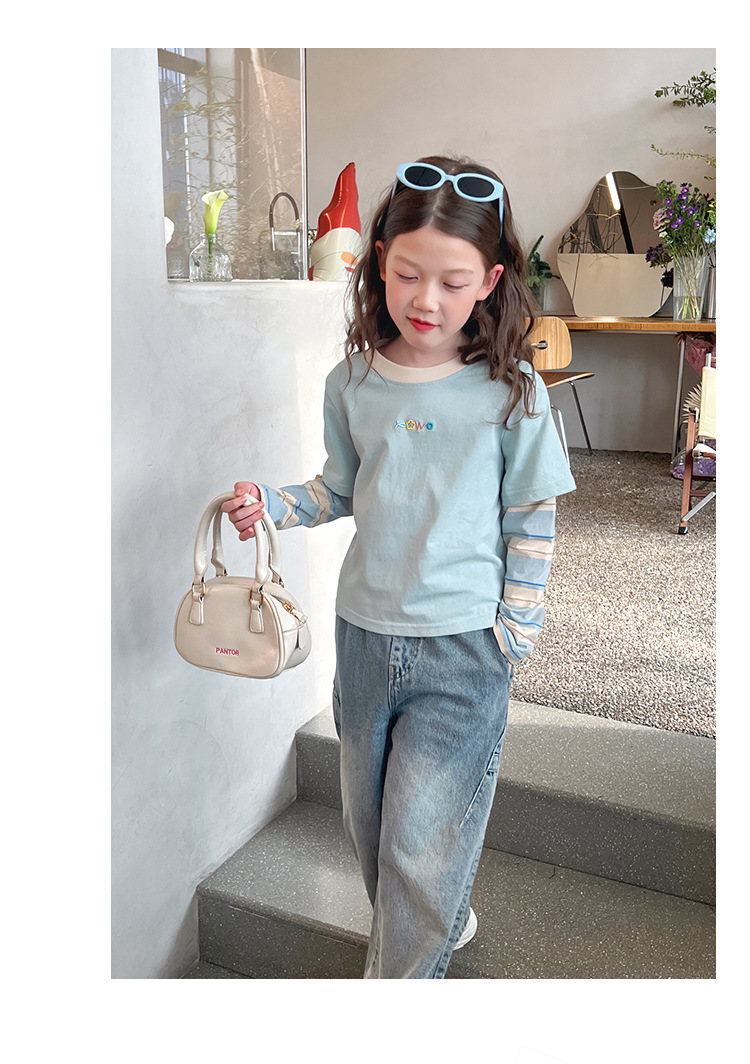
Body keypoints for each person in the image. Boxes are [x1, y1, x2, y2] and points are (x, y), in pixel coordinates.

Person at [222, 155, 576, 979]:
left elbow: (532, 516)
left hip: (464, 646)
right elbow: (341, 489)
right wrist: (274, 504)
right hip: (364, 637)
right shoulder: (351, 382)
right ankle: (440, 914)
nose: (426, 301)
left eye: (453, 283)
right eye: (409, 274)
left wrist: (516, 629)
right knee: (373, 827)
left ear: (490, 282)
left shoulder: (514, 391)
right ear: (380, 260)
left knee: (420, 842)